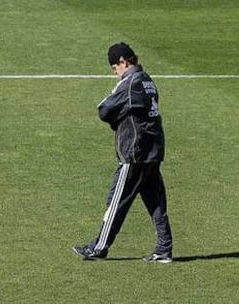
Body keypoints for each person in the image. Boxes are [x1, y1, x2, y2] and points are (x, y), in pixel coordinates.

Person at [72, 42, 173, 263]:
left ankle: (99, 248)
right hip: (153, 151)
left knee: (116, 201)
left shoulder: (130, 83)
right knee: (155, 202)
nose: (115, 73)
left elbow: (104, 109)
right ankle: (164, 249)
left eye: (114, 68)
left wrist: (115, 120)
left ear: (123, 62)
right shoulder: (147, 80)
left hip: (134, 153)